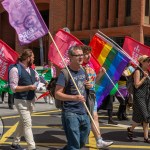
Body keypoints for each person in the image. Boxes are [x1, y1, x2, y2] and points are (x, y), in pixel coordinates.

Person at [55, 46, 91, 149]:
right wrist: (74, 98)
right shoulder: (65, 73)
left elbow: (86, 85)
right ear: (70, 57)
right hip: (70, 112)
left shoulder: (83, 70)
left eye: (81, 55)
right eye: (77, 55)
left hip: (84, 111)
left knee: (82, 141)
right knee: (74, 144)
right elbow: (57, 93)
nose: (81, 57)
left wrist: (88, 85)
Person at [81, 45, 113, 148]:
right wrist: (84, 85)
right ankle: (77, 139)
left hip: (91, 95)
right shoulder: (78, 66)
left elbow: (95, 81)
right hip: (81, 97)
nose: (88, 56)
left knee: (95, 116)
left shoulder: (91, 65)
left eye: (89, 53)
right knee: (82, 119)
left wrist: (101, 74)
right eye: (86, 54)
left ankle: (99, 140)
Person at [9, 49, 38, 150]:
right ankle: (31, 147)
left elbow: (38, 80)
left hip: (31, 100)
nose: (34, 59)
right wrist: (29, 87)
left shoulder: (32, 70)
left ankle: (15, 143)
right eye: (33, 57)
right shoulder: (15, 69)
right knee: (27, 124)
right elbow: (13, 88)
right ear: (28, 58)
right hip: (21, 101)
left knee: (23, 122)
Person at [127, 55, 150, 143]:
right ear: (142, 62)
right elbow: (136, 85)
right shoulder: (138, 71)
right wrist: (144, 77)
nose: (149, 63)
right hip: (139, 96)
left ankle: (131, 129)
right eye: (147, 61)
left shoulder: (147, 71)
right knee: (146, 116)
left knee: (139, 117)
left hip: (147, 97)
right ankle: (146, 138)